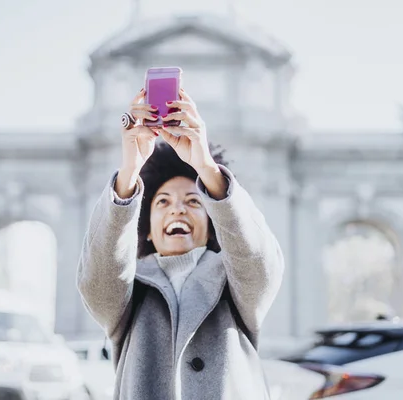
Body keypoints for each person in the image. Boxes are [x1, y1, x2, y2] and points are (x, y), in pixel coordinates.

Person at [77, 87, 284, 399]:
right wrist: (130, 171)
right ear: (146, 230)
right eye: (162, 202)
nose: (178, 208)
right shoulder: (129, 291)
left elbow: (261, 264)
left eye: (193, 201)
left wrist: (207, 168)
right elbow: (96, 281)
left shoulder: (235, 284)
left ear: (212, 224)